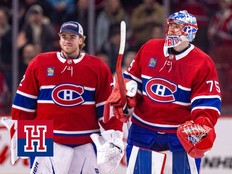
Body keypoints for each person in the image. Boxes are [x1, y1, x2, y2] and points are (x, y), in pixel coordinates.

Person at [105, 10, 221, 173]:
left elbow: (207, 103)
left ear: (189, 31)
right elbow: (131, 81)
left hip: (180, 135)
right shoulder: (150, 48)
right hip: (143, 129)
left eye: (176, 27)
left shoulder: (202, 63)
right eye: (170, 26)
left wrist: (201, 126)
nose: (170, 30)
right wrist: (125, 99)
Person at [6, 21, 124, 173]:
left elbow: (107, 109)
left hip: (85, 143)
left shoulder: (98, 67)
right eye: (64, 36)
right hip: (47, 141)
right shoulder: (40, 63)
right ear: (59, 39)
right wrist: (19, 136)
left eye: (72, 37)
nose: (67, 40)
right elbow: (24, 104)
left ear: (81, 40)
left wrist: (114, 139)